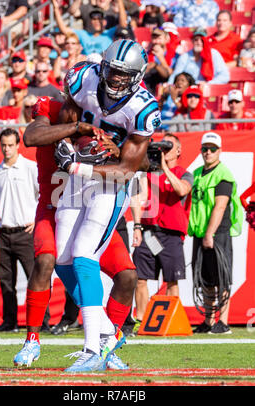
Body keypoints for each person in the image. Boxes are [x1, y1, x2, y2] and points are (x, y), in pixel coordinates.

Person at [53, 39, 161, 372]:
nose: (115, 81)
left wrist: (76, 166)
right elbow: (66, 121)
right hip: (77, 174)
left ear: (138, 76)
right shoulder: (83, 78)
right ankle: (107, 337)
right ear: (103, 66)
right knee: (61, 259)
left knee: (85, 252)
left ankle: (92, 349)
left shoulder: (144, 109)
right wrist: (66, 145)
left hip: (110, 184)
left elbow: (128, 169)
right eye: (112, 72)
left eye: (123, 75)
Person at [13, 91, 138, 370]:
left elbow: (137, 159)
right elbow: (31, 137)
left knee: (127, 275)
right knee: (48, 260)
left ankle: (106, 343)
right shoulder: (55, 106)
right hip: (54, 204)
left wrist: (119, 151)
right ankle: (32, 339)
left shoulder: (110, 114)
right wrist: (75, 128)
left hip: (91, 205)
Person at [0, 128, 50, 332]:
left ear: (18, 145)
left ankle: (42, 322)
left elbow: (44, 194)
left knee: (36, 277)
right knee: (6, 281)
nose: (7, 149)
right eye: (3, 145)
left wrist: (37, 220)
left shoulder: (30, 167)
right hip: (3, 233)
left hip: (26, 233)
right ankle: (9, 322)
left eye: (10, 145)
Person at [131, 133, 193, 332]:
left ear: (178, 150)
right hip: (149, 232)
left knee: (171, 278)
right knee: (140, 277)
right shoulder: (147, 174)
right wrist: (137, 227)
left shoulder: (184, 172)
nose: (164, 150)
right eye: (162, 147)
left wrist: (164, 167)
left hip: (171, 233)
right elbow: (139, 199)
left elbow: (182, 190)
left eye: (169, 146)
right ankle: (140, 319)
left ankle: (169, 319)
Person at [188, 132, 243, 334]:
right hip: (201, 232)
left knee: (221, 277)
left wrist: (210, 233)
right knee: (205, 278)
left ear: (220, 151)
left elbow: (220, 207)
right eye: (205, 148)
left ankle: (224, 322)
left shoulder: (223, 174)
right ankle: (209, 321)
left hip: (217, 233)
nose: (208, 152)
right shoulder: (196, 173)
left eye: (212, 149)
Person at [52, 0, 128, 57]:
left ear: (104, 22)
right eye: (94, 19)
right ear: (91, 22)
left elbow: (123, 24)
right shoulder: (84, 34)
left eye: (99, 19)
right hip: (87, 69)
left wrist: (119, 1)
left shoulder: (108, 34)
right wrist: (55, 8)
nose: (97, 21)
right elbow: (63, 29)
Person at [144, 26, 178, 94]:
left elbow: (172, 75)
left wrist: (161, 57)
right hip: (150, 85)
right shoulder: (146, 54)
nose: (156, 41)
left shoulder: (174, 55)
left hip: (166, 86)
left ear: (166, 39)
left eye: (159, 38)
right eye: (154, 38)